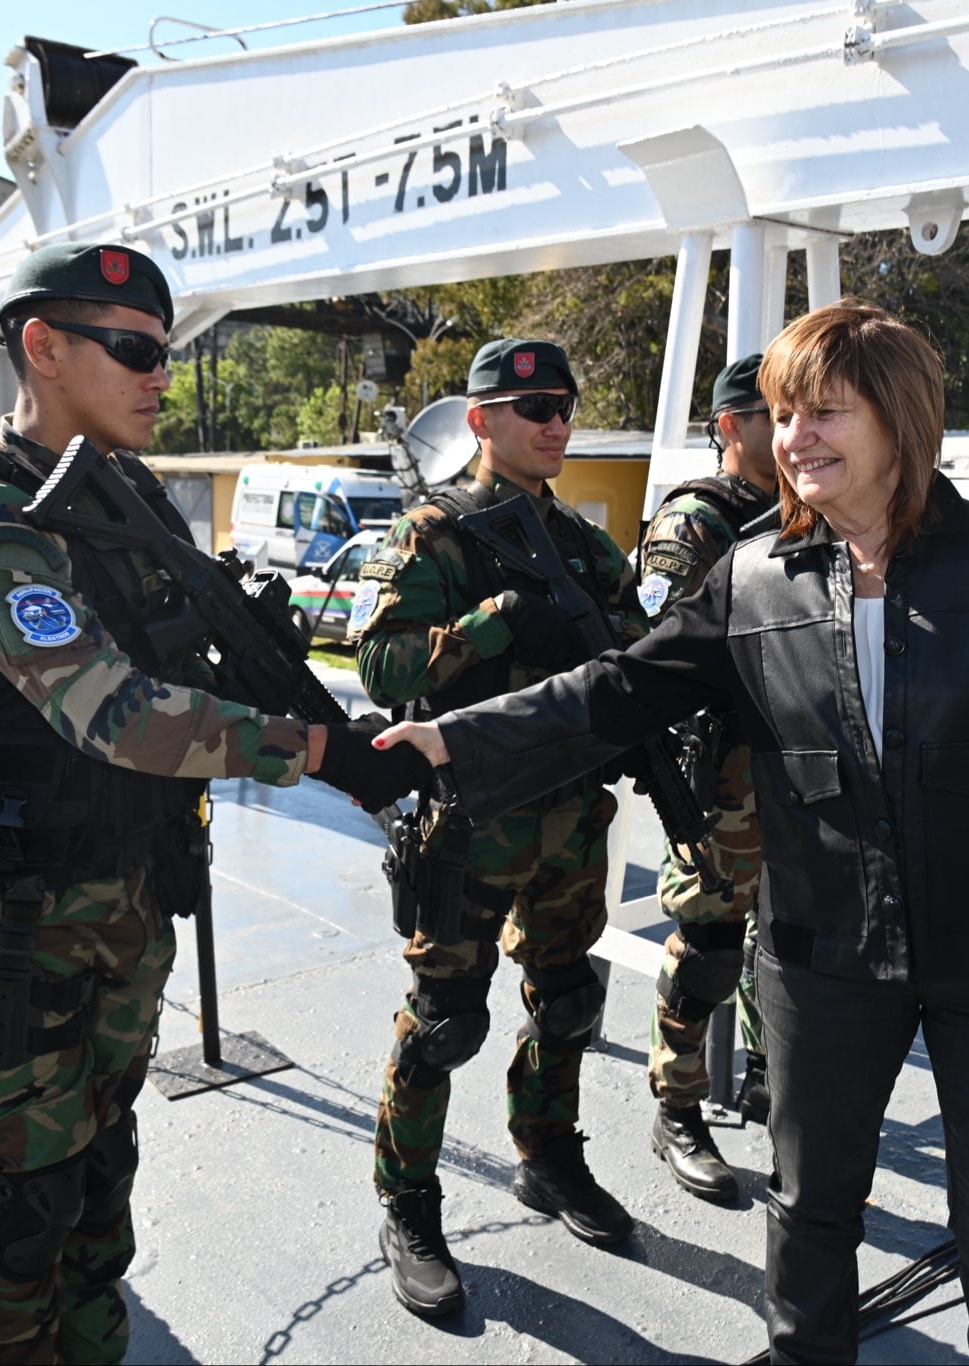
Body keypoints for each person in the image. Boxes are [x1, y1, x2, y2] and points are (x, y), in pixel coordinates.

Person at [375, 300, 969, 1362]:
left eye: (824, 413)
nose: (796, 437)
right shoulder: (752, 575)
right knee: (808, 1218)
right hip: (822, 958)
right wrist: (449, 741)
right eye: (783, 414)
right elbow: (613, 687)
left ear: (899, 419)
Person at [0, 240, 423, 1364]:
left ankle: (96, 1342)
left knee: (106, 1159)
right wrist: (317, 749)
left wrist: (323, 709)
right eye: (131, 349)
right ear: (42, 345)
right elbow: (109, 711)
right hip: (20, 922)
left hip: (128, 894)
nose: (158, 375)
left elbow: (191, 660)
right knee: (30, 1200)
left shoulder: (121, 495)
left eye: (163, 353)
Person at [348, 338, 649, 1317]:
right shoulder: (435, 536)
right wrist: (485, 627)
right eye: (534, 409)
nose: (556, 424)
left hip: (568, 818)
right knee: (443, 1023)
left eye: (564, 406)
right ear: (480, 421)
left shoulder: (583, 543)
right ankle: (408, 1201)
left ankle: (548, 1155)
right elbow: (382, 671)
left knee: (564, 999)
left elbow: (640, 651)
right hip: (471, 822)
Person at [636, 354, 778, 1201]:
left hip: (798, 765)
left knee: (787, 937)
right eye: (769, 414)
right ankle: (677, 1108)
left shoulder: (808, 507)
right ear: (729, 426)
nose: (789, 428)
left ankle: (768, 1076)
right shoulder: (698, 521)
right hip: (724, 772)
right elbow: (659, 647)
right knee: (710, 949)